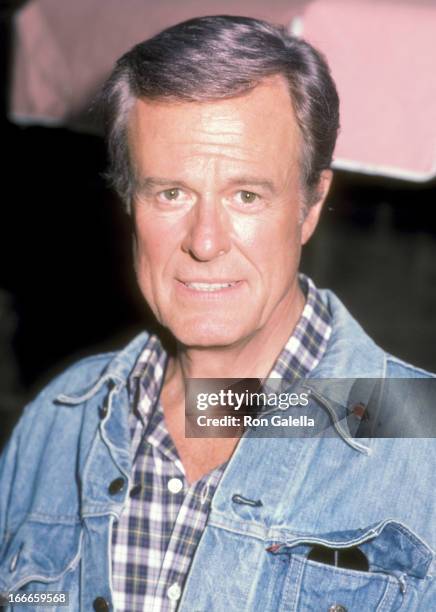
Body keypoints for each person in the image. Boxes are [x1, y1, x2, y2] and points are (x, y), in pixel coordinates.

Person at [0, 15, 435, 612]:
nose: (205, 242)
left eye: (246, 195)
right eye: (170, 192)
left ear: (310, 206)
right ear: (130, 202)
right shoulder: (57, 423)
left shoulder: (419, 440)